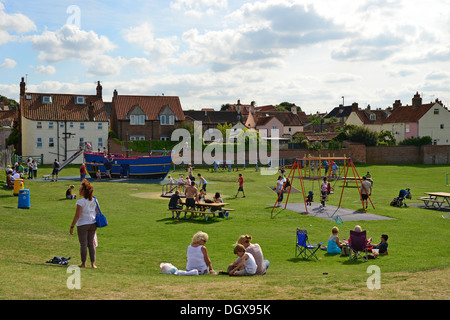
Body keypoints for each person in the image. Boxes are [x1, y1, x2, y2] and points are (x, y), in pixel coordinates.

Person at [69, 179, 99, 268]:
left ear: (84, 191)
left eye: (80, 189)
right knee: (91, 244)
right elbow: (98, 212)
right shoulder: (95, 200)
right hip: (93, 223)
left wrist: (72, 226)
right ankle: (93, 264)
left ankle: (83, 263)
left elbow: (77, 215)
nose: (79, 191)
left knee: (83, 244)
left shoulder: (80, 202)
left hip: (83, 224)